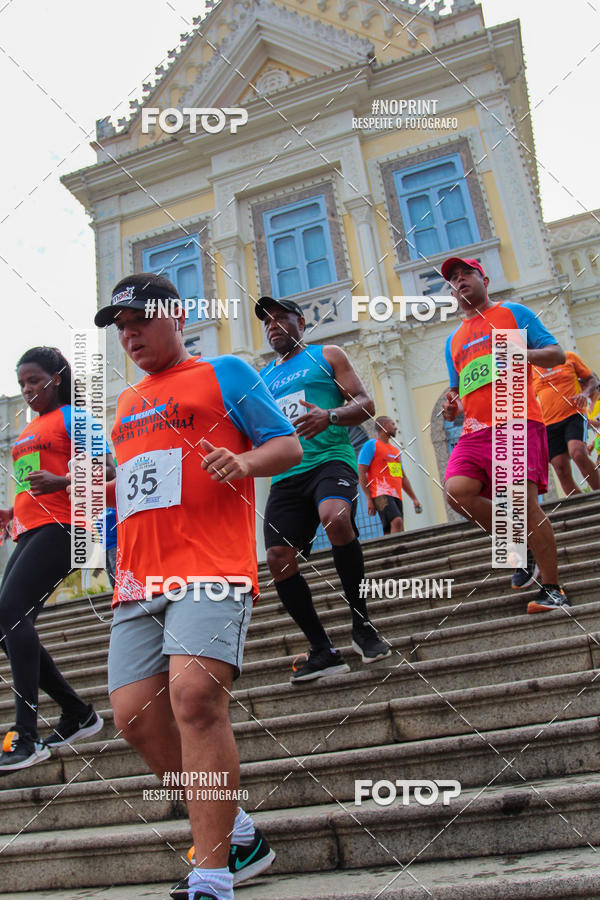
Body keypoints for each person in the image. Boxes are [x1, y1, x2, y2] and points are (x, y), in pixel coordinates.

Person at [94, 273, 301, 900]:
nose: (130, 335)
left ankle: (212, 875)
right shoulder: (127, 402)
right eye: (121, 327)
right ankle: (240, 832)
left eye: (140, 321)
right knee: (133, 717)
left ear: (177, 316)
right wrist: (95, 493)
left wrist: (243, 461)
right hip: (139, 577)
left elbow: (287, 445)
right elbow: (144, 483)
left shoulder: (227, 372)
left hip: (210, 566)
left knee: (195, 698)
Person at [256, 295, 391, 684]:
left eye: (281, 318)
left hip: (331, 460)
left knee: (335, 517)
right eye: (267, 321)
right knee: (277, 557)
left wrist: (330, 415)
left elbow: (365, 403)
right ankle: (322, 649)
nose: (273, 325)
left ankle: (362, 625)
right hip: (286, 474)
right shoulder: (262, 379)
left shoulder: (327, 355)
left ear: (300, 322)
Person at [0, 347, 113, 772]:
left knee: (10, 612)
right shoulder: (29, 429)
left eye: (34, 380)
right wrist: (11, 513)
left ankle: (26, 736)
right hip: (31, 529)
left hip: (68, 527)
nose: (27, 389)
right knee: (5, 624)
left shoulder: (74, 418)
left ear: (57, 378)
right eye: (21, 383)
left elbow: (108, 469)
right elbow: (33, 484)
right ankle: (76, 713)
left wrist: (64, 479)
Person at [440, 257, 570, 612]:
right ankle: (520, 543)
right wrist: (452, 406)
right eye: (453, 278)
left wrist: (522, 353)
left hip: (516, 419)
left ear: (484, 280)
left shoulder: (512, 313)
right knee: (456, 493)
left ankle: (553, 588)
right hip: (474, 432)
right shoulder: (453, 340)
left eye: (466, 274)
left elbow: (556, 354)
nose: (460, 280)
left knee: (522, 504)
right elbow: (457, 390)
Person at [531, 353, 600, 495]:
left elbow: (592, 379)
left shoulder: (568, 357)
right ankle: (580, 505)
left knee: (578, 452)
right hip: (548, 423)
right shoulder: (531, 368)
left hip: (574, 414)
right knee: (560, 467)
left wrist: (584, 394)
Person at [358, 415, 422, 534]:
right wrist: (368, 498)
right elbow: (361, 472)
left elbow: (402, 477)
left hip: (396, 495)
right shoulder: (371, 445)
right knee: (397, 521)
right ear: (384, 426)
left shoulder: (395, 451)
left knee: (394, 529)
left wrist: (414, 498)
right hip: (379, 494)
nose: (396, 427)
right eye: (393, 424)